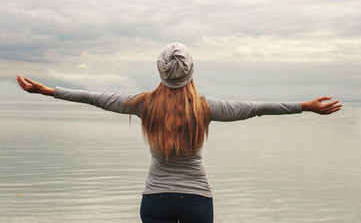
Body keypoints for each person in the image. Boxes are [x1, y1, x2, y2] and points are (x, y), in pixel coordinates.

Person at [17, 43, 342, 223]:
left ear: (160, 71)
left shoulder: (143, 105)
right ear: (190, 73)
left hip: (154, 201)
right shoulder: (206, 108)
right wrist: (306, 106)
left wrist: (47, 91)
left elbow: (94, 98)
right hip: (196, 202)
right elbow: (257, 107)